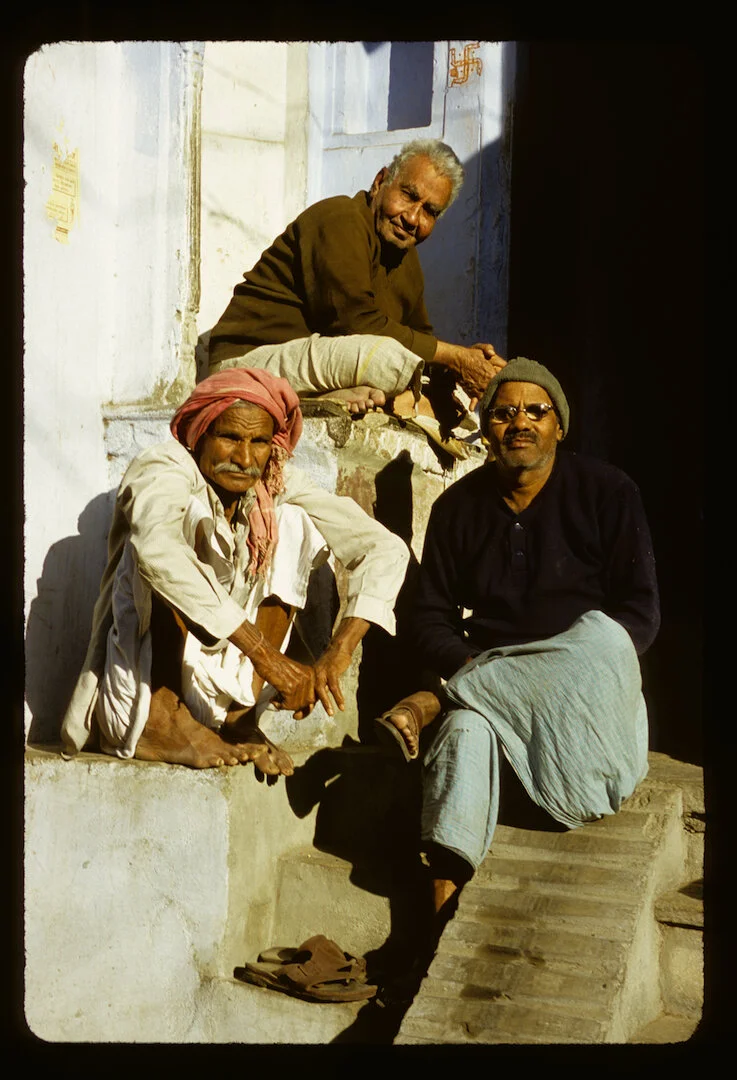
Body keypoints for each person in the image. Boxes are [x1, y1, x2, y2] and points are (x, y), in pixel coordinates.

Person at [376, 357, 660, 927]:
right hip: (490, 689)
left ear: (561, 425)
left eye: (537, 411)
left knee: (601, 637)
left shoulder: (607, 492)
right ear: (486, 428)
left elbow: (639, 615)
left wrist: (479, 679)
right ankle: (440, 908)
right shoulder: (458, 509)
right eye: (504, 413)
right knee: (464, 730)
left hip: (581, 690)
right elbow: (428, 615)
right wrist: (469, 664)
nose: (520, 423)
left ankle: (439, 699)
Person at [60, 369, 409, 776]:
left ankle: (241, 718)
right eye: (229, 438)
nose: (244, 459)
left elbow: (384, 548)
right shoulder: (164, 466)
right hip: (142, 690)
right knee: (163, 534)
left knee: (294, 520)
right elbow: (156, 551)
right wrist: (265, 655)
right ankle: (164, 721)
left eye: (259, 442)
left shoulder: (272, 482)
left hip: (222, 686)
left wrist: (339, 652)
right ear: (200, 434)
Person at [207, 139, 506, 420]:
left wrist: (469, 365)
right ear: (380, 182)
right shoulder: (340, 218)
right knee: (382, 354)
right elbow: (355, 325)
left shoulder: (406, 259)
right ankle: (367, 397)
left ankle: (329, 396)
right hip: (246, 366)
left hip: (316, 361)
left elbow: (421, 341)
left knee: (430, 381)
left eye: (429, 211)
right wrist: (454, 356)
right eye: (409, 196)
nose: (413, 218)